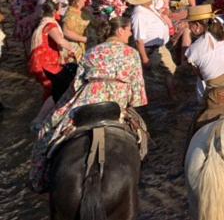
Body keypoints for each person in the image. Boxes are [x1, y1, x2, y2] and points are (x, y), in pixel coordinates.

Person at [29, 16, 147, 193]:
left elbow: (76, 85)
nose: (130, 34)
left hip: (87, 101)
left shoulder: (91, 51)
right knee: (142, 134)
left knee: (46, 132)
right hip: (116, 104)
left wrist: (59, 109)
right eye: (129, 29)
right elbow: (138, 96)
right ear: (120, 30)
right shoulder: (132, 53)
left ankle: (38, 179)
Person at [128, 0, 175, 97]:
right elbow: (139, 39)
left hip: (158, 46)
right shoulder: (139, 15)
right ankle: (167, 96)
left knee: (168, 71)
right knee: (161, 74)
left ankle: (169, 95)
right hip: (151, 48)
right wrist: (144, 58)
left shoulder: (149, 7)